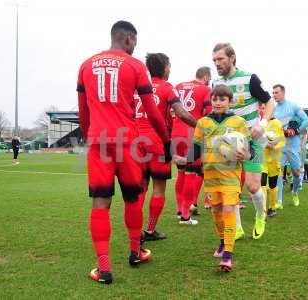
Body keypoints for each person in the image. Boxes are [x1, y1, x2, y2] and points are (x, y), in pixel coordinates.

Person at [77, 20, 171, 285]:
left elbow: (83, 111)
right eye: (135, 42)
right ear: (129, 39)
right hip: (128, 142)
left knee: (100, 204)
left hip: (99, 143)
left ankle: (104, 269)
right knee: (133, 198)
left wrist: (90, 135)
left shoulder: (86, 64)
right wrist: (165, 140)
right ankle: (135, 252)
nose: (134, 47)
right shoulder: (135, 65)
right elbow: (151, 111)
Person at [174, 84, 251, 272]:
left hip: (231, 175)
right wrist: (185, 159)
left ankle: (228, 255)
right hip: (210, 174)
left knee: (228, 209)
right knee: (216, 211)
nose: (217, 103)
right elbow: (197, 149)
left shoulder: (238, 122)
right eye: (215, 99)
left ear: (230, 101)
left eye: (222, 99)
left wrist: (246, 155)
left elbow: (251, 149)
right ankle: (223, 241)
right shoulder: (203, 123)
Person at [212, 43, 275, 240]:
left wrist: (262, 124)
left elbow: (269, 101)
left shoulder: (249, 78)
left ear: (232, 58)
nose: (217, 63)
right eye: (214, 60)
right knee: (231, 188)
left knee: (253, 186)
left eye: (220, 59)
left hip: (252, 140)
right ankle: (237, 228)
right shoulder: (215, 83)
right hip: (228, 143)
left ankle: (260, 214)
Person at [135, 53, 196, 240]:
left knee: (140, 189)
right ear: (165, 67)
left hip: (135, 142)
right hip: (157, 143)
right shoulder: (167, 88)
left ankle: (136, 233)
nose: (170, 69)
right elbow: (182, 114)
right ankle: (150, 230)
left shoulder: (137, 88)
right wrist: (202, 126)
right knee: (158, 188)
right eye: (169, 66)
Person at [172, 66, 212, 224]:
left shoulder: (179, 86)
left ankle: (179, 210)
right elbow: (208, 115)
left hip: (176, 133)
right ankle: (185, 215)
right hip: (192, 134)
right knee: (191, 173)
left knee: (181, 172)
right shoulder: (205, 89)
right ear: (206, 76)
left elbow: (172, 109)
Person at [273, 84, 308, 207]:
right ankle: (279, 201)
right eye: (273, 93)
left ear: (283, 93)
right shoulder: (273, 110)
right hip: (280, 146)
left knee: (296, 173)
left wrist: (296, 130)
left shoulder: (293, 106)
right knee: (278, 171)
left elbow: (306, 121)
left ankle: (294, 192)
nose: (274, 95)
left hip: (293, 145)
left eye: (276, 92)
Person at [261, 117, 285, 217]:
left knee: (272, 185)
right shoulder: (259, 122)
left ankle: (272, 207)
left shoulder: (277, 123)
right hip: (262, 159)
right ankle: (262, 210)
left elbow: (282, 141)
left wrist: (274, 146)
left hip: (274, 159)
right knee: (262, 184)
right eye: (261, 108)